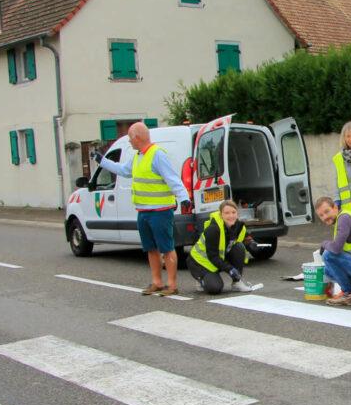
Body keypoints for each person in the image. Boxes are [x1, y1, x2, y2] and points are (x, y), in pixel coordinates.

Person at [93, 122, 190, 296]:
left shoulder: (158, 155)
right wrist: (103, 161)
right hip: (143, 211)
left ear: (137, 138)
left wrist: (184, 198)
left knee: (167, 248)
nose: (129, 142)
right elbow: (122, 170)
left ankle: (172, 285)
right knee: (150, 248)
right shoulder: (138, 156)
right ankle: (157, 282)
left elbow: (172, 179)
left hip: (160, 210)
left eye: (130, 138)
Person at [187, 200, 261, 294]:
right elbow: (213, 257)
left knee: (239, 247)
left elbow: (245, 237)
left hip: (218, 259)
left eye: (233, 212)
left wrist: (251, 243)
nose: (231, 216)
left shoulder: (238, 225)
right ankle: (201, 279)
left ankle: (237, 283)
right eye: (227, 213)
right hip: (200, 263)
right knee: (215, 289)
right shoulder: (213, 229)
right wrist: (230, 269)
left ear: (237, 213)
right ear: (221, 214)